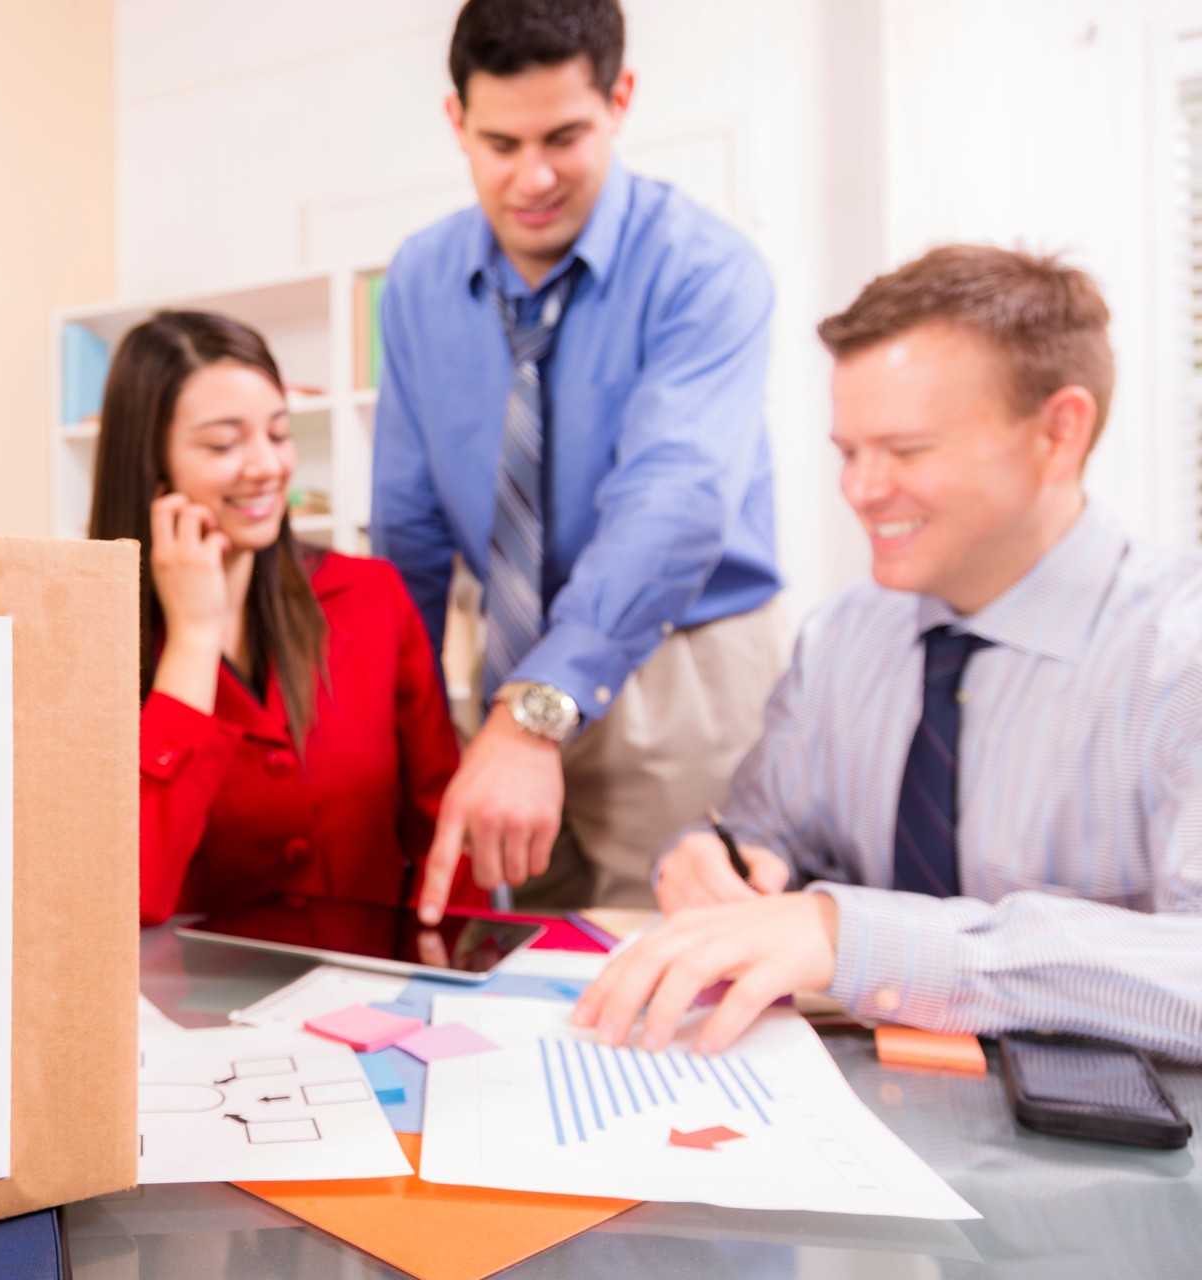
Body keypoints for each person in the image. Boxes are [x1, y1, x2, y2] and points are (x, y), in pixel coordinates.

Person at [574, 245, 1202, 1062]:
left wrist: (863, 938)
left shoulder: (1177, 655)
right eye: (848, 451)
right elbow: (771, 829)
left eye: (907, 451)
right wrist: (716, 859)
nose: (861, 490)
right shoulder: (841, 638)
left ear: (1060, 431)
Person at [373, 0, 788, 924]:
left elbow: (673, 504)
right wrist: (396, 715)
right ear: (458, 123)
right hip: (505, 666)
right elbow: (408, 520)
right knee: (503, 954)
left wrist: (536, 712)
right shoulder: (418, 281)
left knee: (682, 966)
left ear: (620, 100)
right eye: (500, 142)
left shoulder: (705, 271)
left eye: (565, 136)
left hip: (682, 667)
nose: (534, 176)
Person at [92, 311, 486, 927]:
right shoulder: (91, 642)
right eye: (223, 444)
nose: (266, 467)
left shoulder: (371, 595)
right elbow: (127, 899)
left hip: (372, 1000)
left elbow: (446, 837)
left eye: (278, 434)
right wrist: (193, 639)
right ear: (153, 462)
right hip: (189, 1016)